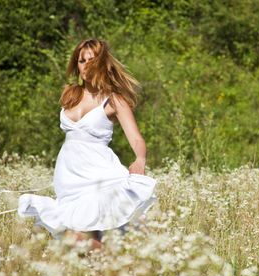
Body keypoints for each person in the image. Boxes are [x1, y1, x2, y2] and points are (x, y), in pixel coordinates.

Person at [17, 38, 157, 250]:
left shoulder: (114, 100)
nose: (85, 65)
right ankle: (108, 266)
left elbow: (136, 138)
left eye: (91, 60)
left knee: (92, 233)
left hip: (98, 173)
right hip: (69, 176)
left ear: (102, 63)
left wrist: (140, 160)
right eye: (81, 61)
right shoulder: (70, 95)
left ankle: (107, 272)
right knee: (71, 235)